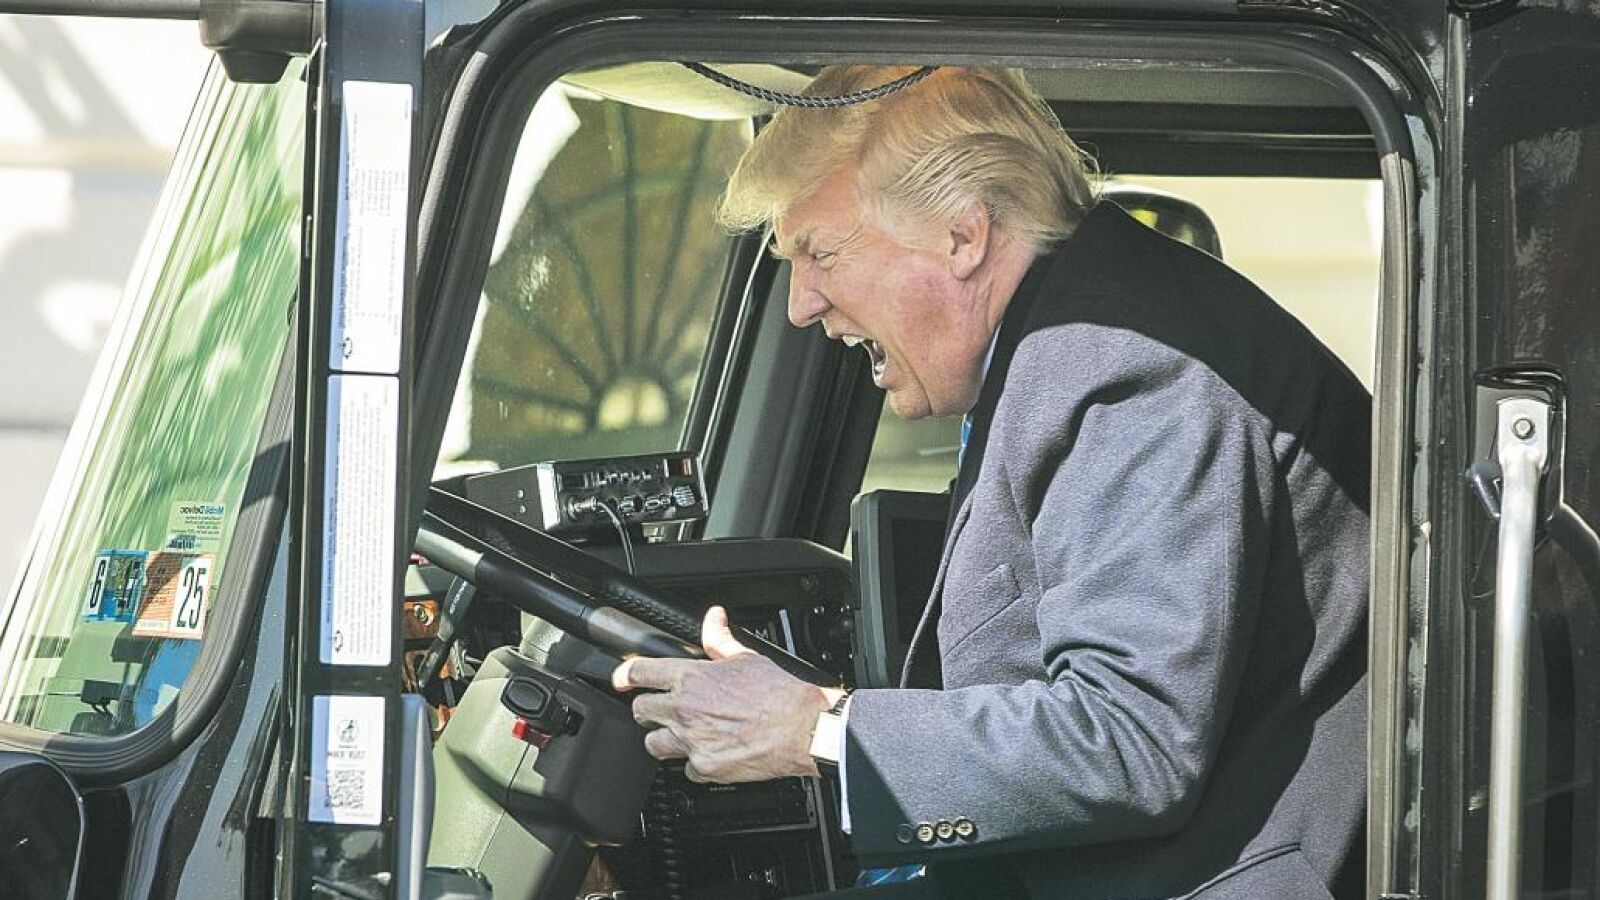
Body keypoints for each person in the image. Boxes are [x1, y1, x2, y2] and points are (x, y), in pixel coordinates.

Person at [612, 65, 1369, 899]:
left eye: (820, 253)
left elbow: (1129, 741)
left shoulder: (1124, 363)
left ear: (963, 237)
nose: (801, 306)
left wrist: (818, 730)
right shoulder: (1066, 343)